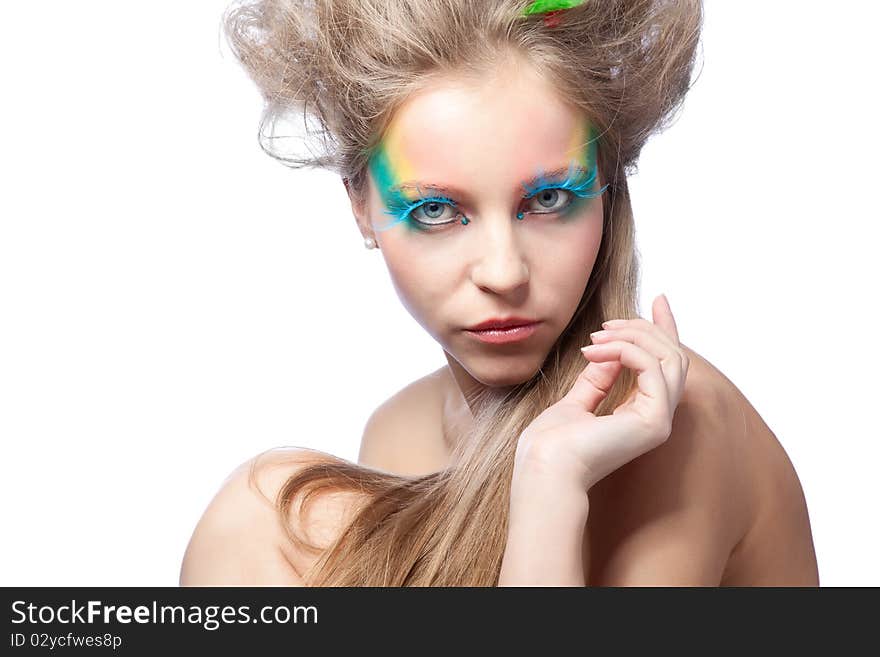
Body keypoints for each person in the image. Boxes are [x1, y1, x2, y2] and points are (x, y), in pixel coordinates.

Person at [180, 0, 819, 586]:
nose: (504, 272)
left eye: (547, 199)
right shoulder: (399, 431)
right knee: (268, 513)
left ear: (608, 185)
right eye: (434, 210)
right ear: (360, 207)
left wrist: (551, 482)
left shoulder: (672, 428)